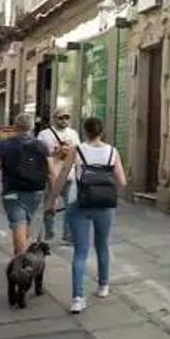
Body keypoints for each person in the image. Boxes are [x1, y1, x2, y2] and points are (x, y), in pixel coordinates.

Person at [48, 116, 125, 314]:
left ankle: (77, 298)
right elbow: (122, 181)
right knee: (102, 245)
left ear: (85, 131)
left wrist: (51, 201)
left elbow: (63, 176)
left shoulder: (77, 150)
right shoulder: (112, 152)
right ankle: (103, 286)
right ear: (101, 132)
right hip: (105, 205)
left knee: (80, 252)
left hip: (79, 203)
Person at [0, 113, 50, 257]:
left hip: (12, 191)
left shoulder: (5, 145)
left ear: (15, 126)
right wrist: (54, 195)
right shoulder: (41, 145)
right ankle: (21, 253)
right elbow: (51, 172)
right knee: (25, 221)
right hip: (36, 191)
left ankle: (21, 261)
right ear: (32, 127)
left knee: (19, 223)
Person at [37, 110, 79, 244]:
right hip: (52, 174)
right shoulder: (44, 134)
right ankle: (49, 232)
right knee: (50, 205)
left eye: (67, 117)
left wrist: (70, 152)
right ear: (54, 119)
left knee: (71, 206)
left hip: (69, 175)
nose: (64, 120)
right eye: (61, 118)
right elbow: (40, 153)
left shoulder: (73, 133)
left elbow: (78, 152)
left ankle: (68, 235)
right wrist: (56, 151)